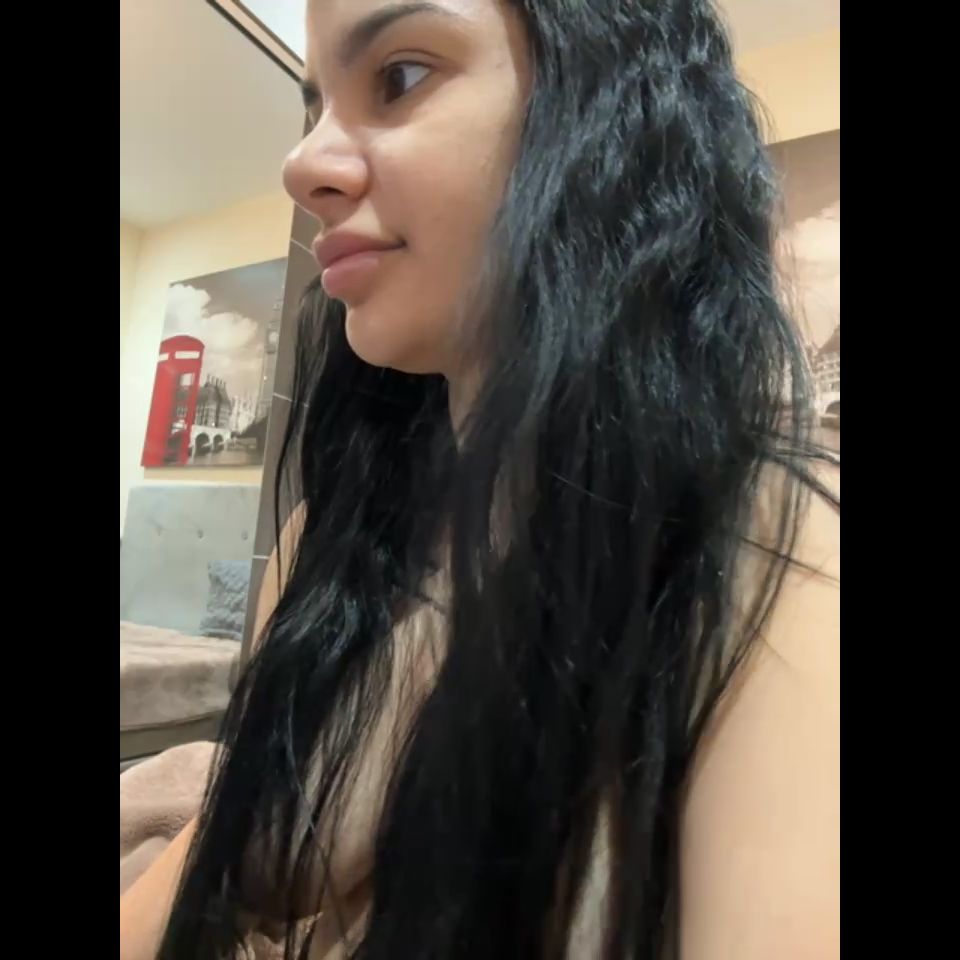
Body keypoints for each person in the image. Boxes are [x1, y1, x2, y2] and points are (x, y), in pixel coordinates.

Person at [120, 1, 840, 957]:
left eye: (400, 76)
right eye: (316, 105)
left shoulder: (771, 550)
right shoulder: (326, 538)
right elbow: (218, 848)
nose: (301, 164)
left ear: (611, 108)